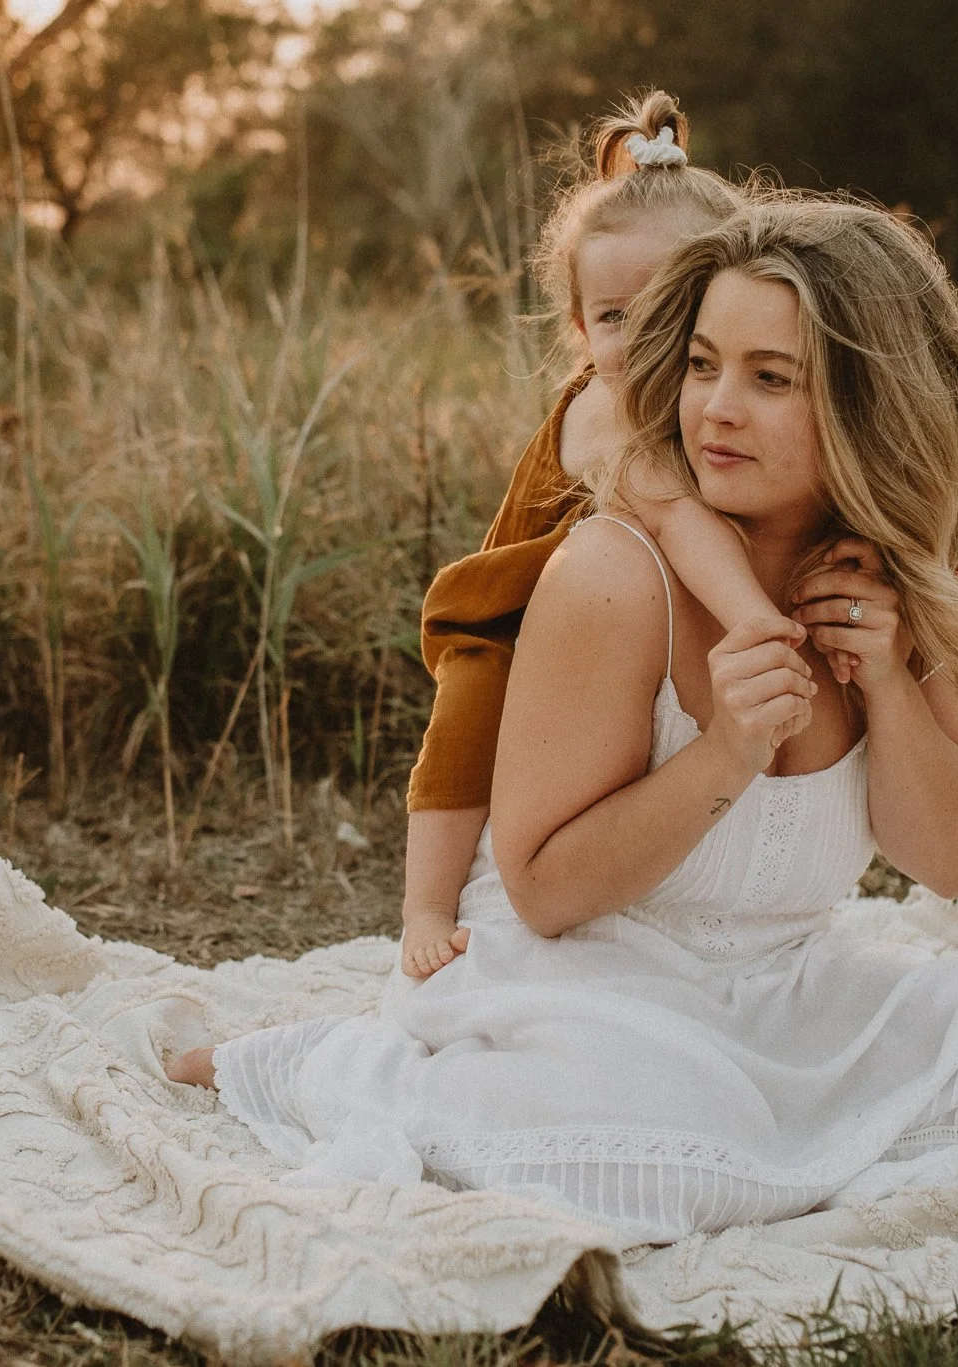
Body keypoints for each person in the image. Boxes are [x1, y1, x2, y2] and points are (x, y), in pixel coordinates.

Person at [168, 198, 958, 1244]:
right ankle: (341, 1065)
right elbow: (546, 891)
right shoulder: (615, 574)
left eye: (768, 377)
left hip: (779, 987)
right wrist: (729, 750)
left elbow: (954, 856)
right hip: (585, 983)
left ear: (873, 403)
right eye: (700, 364)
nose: (714, 409)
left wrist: (884, 678)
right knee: (632, 1156)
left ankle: (761, 1119)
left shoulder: (902, 585)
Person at [397, 92, 793, 982]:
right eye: (613, 317)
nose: (639, 336)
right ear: (580, 330)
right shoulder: (615, 412)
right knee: (466, 724)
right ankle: (426, 904)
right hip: (512, 601)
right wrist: (757, 623)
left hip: (608, 617)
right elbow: (683, 524)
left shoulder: (701, 402)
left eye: (669, 310)